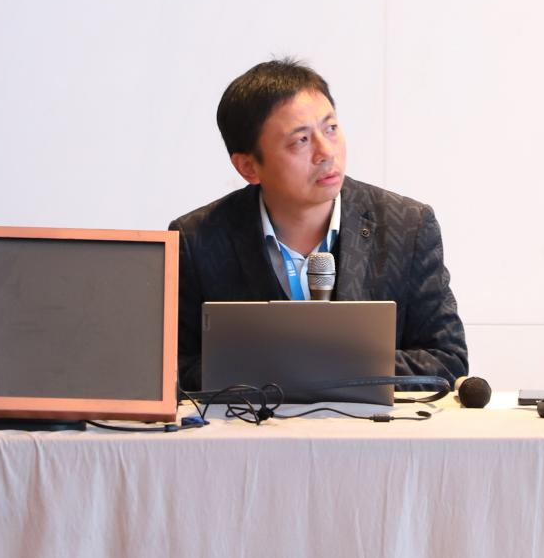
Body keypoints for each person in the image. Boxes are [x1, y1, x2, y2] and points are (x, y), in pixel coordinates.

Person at [170, 58, 468, 392]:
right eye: (301, 140)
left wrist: (322, 367)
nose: (326, 152)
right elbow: (173, 368)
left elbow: (447, 361)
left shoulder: (407, 226)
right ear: (248, 167)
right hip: (251, 426)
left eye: (331, 129)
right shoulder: (197, 239)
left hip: (369, 425)